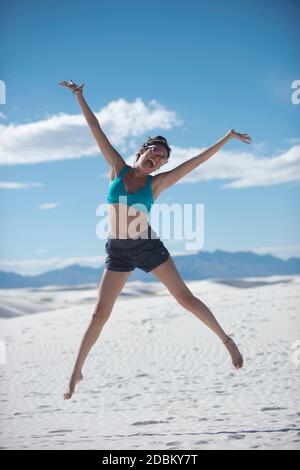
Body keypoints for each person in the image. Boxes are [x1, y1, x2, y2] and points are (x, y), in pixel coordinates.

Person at [59, 79, 252, 400]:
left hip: (148, 247)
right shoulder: (117, 168)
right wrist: (80, 96)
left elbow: (197, 162)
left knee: (185, 299)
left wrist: (228, 137)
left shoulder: (157, 184)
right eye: (155, 152)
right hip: (118, 252)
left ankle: (226, 339)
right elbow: (96, 129)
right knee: (99, 313)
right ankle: (76, 370)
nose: (158, 158)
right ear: (143, 151)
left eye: (163, 158)